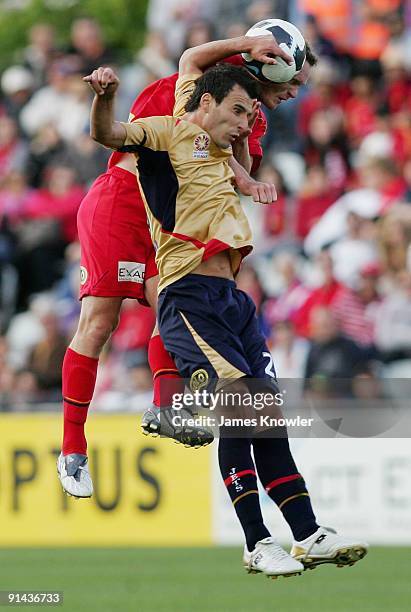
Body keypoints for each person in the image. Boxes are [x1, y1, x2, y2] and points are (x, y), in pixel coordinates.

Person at [85, 56, 368, 578]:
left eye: (250, 116)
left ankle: (307, 533)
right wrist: (104, 97)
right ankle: (258, 541)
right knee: (239, 408)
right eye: (239, 111)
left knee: (266, 417)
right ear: (206, 100)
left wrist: (248, 176)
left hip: (233, 300)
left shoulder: (220, 153)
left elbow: (240, 169)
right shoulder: (166, 132)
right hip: (186, 295)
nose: (245, 124)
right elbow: (109, 132)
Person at [57, 30, 316, 499]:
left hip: (168, 221)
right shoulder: (197, 87)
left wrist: (245, 171)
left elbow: (236, 176)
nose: (296, 92)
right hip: (123, 200)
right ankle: (72, 447)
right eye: (292, 79)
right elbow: (184, 74)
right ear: (268, 63)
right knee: (99, 321)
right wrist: (248, 40)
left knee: (173, 300)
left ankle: (167, 407)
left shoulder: (250, 122)